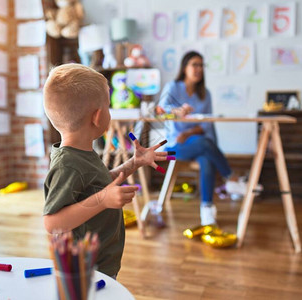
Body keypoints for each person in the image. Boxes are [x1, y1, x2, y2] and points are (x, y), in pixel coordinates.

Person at [43, 63, 169, 278]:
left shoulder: (81, 153)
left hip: (100, 261)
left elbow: (98, 185)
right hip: (83, 270)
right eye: (109, 107)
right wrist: (103, 200)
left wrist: (134, 162)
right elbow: (52, 222)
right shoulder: (68, 164)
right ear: (97, 116)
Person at [157, 51, 237, 226]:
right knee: (205, 145)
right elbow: (160, 110)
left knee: (206, 158)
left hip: (197, 143)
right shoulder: (173, 87)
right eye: (194, 65)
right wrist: (177, 111)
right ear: (185, 68)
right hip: (172, 148)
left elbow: (207, 125)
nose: (199, 69)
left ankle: (207, 210)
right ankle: (230, 178)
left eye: (201, 65)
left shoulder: (205, 94)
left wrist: (188, 133)